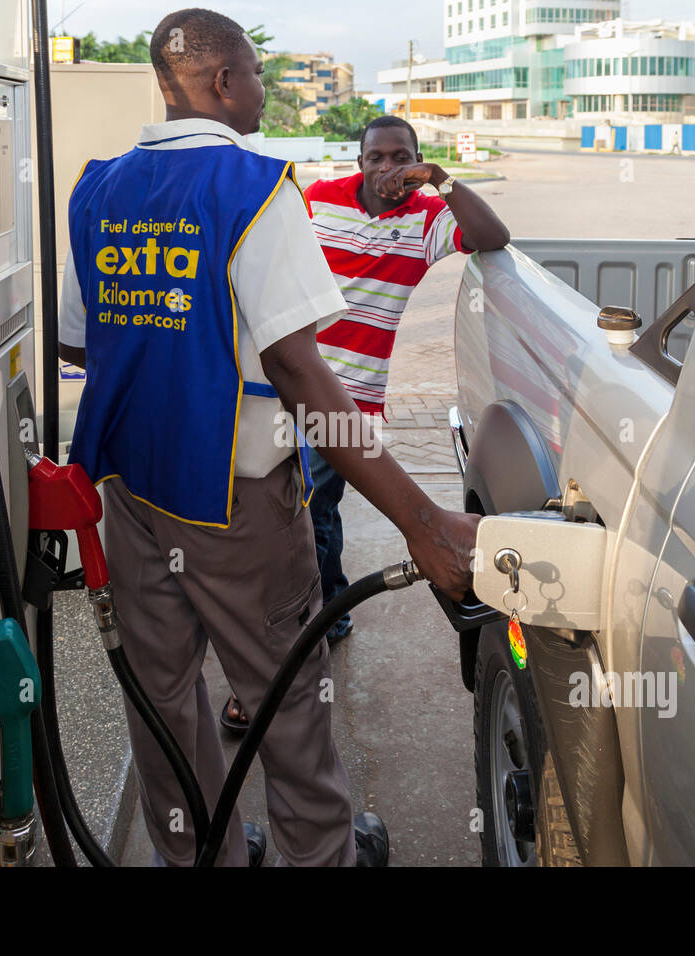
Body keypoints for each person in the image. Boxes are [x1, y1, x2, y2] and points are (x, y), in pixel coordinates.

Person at [57, 7, 478, 866]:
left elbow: (77, 338)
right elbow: (302, 374)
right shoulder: (255, 187)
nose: (262, 88)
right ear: (221, 83)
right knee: (285, 695)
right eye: (254, 72)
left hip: (130, 497)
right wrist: (421, 520)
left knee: (163, 695)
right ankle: (320, 853)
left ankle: (200, 851)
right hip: (235, 502)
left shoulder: (99, 185)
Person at [222, 115, 509, 733]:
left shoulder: (428, 220)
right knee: (287, 509)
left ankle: (315, 624)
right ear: (359, 160)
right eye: (376, 158)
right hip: (281, 387)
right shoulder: (317, 200)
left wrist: (443, 181)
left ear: (417, 159)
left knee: (310, 510)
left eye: (401, 157)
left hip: (350, 404)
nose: (389, 170)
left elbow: (492, 234)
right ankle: (320, 612)